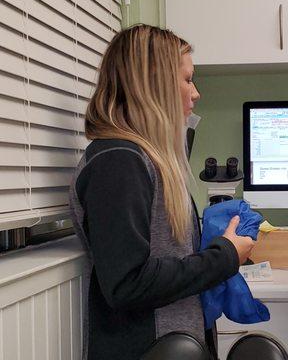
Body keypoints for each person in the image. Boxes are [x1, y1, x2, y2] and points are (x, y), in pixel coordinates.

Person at [69, 25, 255, 360]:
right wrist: (224, 256)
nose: (195, 93)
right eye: (187, 79)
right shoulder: (118, 162)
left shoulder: (142, 159)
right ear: (153, 85)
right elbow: (127, 283)